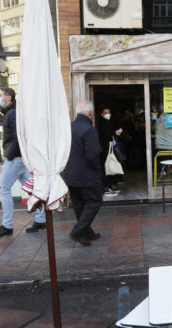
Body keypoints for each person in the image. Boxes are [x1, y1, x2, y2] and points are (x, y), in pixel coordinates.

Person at [0, 88, 46, 237]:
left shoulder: (12, 113)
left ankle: (7, 225)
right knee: (32, 189)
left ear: (8, 97)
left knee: (3, 189)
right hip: (19, 157)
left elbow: (16, 138)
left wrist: (8, 155)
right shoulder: (12, 112)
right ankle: (41, 220)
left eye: (0, 95)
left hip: (15, 157)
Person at [64, 101, 103, 247]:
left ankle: (87, 233)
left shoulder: (69, 127)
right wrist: (98, 171)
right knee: (94, 202)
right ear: (90, 114)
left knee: (79, 204)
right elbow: (92, 155)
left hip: (71, 174)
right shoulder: (89, 130)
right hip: (87, 175)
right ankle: (77, 231)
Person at [97, 107, 122, 197]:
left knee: (109, 166)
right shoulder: (101, 123)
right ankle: (107, 188)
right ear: (101, 114)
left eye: (109, 112)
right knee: (106, 167)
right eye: (105, 112)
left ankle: (109, 187)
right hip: (104, 149)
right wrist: (115, 134)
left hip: (108, 148)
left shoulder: (107, 122)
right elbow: (108, 135)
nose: (108, 114)